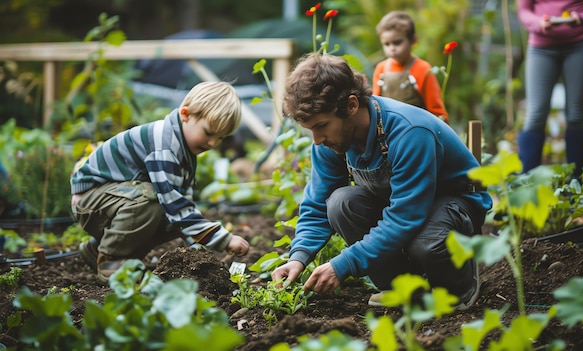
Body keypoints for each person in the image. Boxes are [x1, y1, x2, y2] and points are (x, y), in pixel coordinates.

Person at [270, 53, 492, 309]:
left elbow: (405, 216)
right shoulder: (329, 142)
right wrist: (299, 257)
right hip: (406, 208)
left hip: (454, 206)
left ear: (351, 106)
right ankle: (402, 287)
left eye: (321, 125)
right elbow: (319, 204)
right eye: (310, 130)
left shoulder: (409, 131)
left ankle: (458, 286)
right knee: (341, 203)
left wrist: (343, 265)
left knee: (428, 242)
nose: (317, 139)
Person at [70, 81, 250, 283]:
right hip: (89, 201)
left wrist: (199, 251)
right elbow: (174, 204)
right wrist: (223, 239)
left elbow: (183, 206)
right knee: (155, 200)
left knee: (170, 218)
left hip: (111, 199)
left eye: (220, 138)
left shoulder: (183, 149)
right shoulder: (165, 146)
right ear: (185, 114)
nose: (212, 143)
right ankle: (113, 259)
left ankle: (96, 249)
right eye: (208, 133)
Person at [517, 0, 583, 179]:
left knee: (576, 114)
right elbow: (524, 12)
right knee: (535, 114)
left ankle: (575, 184)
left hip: (580, 46)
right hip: (541, 48)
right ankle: (528, 183)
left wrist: (581, 18)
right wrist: (538, 23)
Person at [372, 11, 449, 123]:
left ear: (413, 40)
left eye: (397, 42)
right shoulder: (381, 69)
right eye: (387, 44)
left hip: (417, 132)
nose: (392, 48)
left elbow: (437, 112)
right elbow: (376, 108)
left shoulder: (422, 68)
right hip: (388, 133)